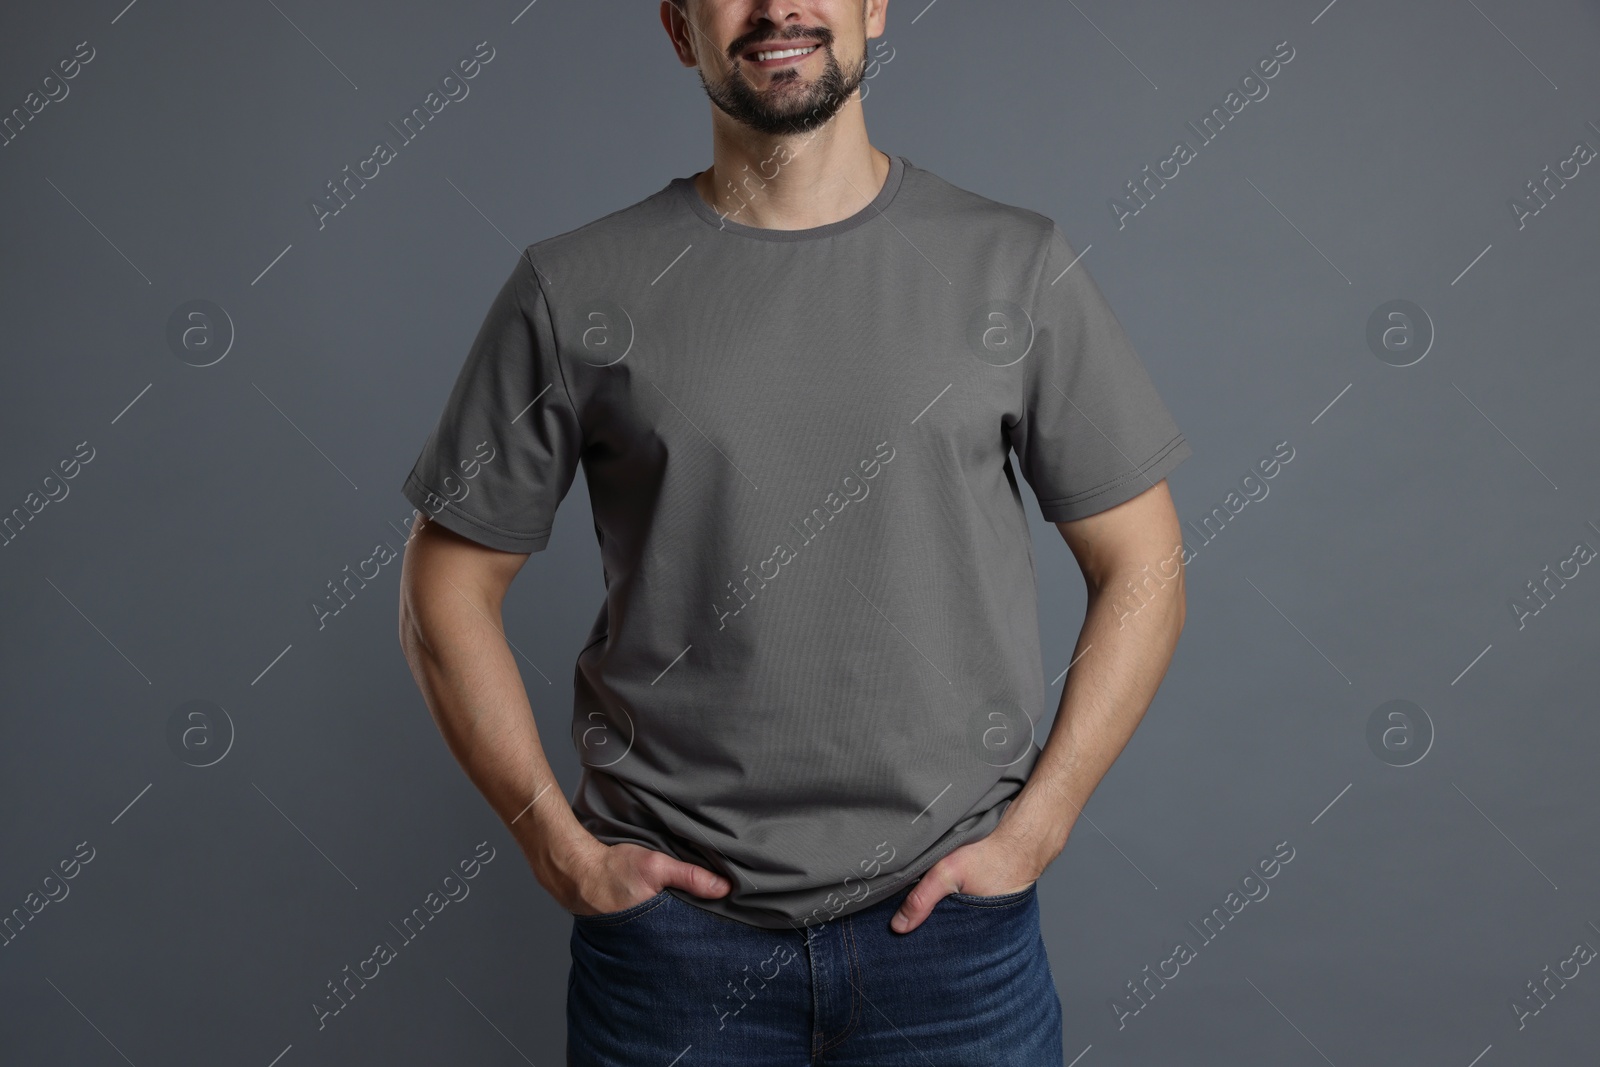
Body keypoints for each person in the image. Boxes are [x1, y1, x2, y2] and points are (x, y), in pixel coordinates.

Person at [397, 1, 1192, 1062]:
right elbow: (442, 589)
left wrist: (1036, 828)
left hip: (953, 942)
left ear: (873, 6)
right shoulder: (574, 289)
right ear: (679, 27)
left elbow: (1144, 562)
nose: (778, 6)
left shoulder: (1014, 265)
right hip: (673, 956)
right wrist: (561, 850)